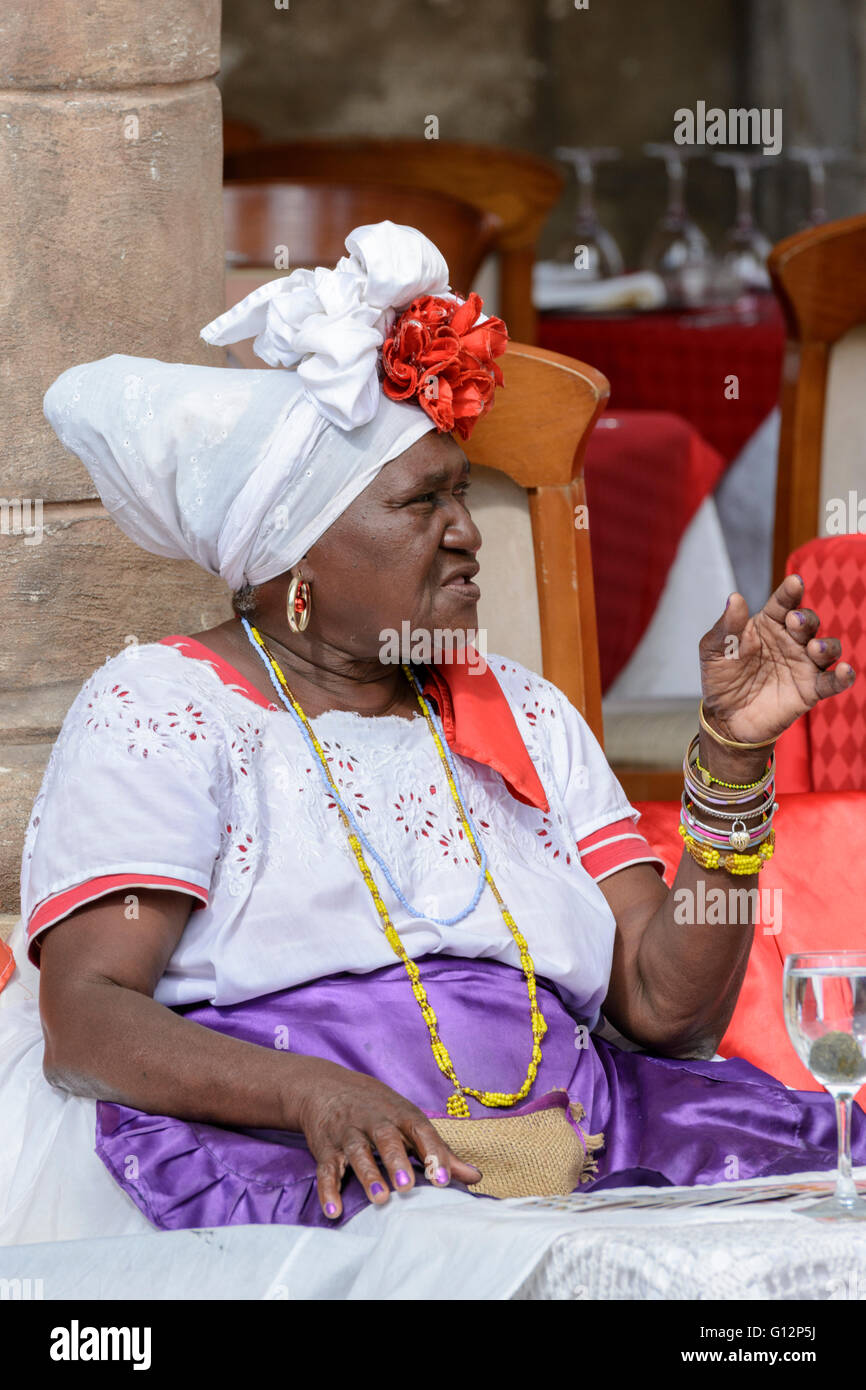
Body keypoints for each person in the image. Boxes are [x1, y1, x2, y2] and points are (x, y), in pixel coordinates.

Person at [0, 220, 862, 1250]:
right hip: (295, 1149)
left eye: (462, 492)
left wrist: (731, 751)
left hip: (583, 1140)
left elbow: (665, 1012)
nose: (466, 531)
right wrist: (310, 1093)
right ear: (295, 556)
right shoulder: (166, 708)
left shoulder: (523, 713)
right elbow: (87, 1017)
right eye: (421, 502)